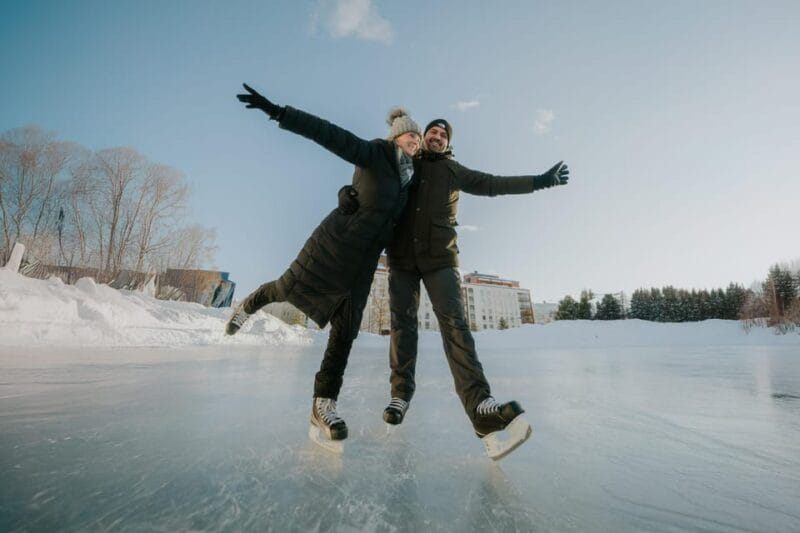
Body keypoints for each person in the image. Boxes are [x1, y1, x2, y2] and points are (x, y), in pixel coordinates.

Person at [341, 118, 569, 458]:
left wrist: (540, 181)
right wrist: (349, 195)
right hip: (402, 257)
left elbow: (493, 184)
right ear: (423, 137)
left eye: (443, 134)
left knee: (455, 325)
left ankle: (481, 408)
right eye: (432, 132)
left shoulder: (454, 170)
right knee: (402, 324)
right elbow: (373, 180)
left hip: (441, 259)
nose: (436, 136)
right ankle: (400, 395)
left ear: (448, 143)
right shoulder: (405, 163)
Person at [228, 83, 422, 448]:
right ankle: (251, 302)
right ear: (396, 136)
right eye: (410, 135)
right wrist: (279, 112)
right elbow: (328, 134)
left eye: (418, 137)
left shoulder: (411, 178)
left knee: (345, 332)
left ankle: (323, 404)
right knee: (286, 288)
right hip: (334, 244)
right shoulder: (373, 153)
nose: (415, 141)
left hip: (363, 264)